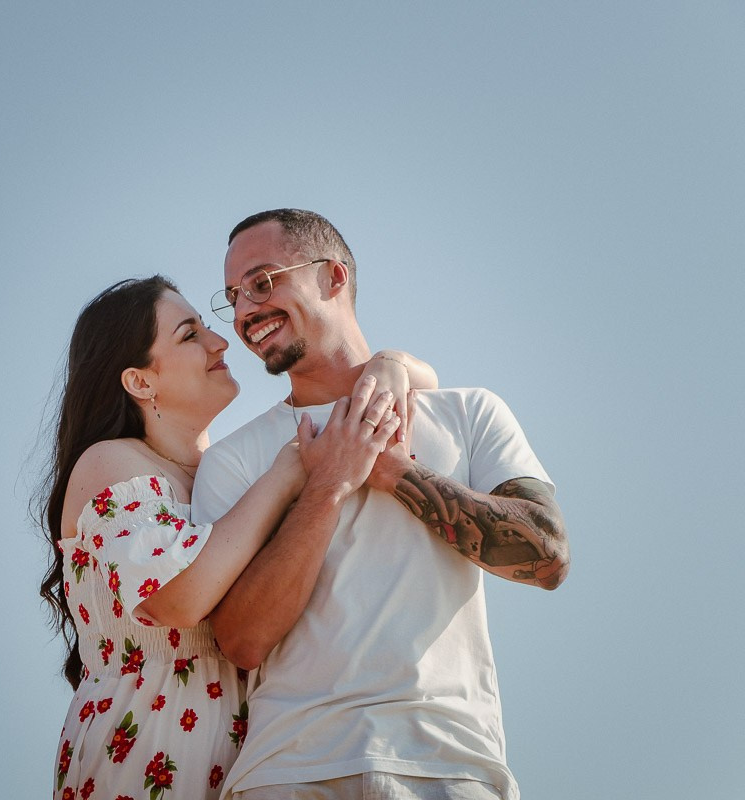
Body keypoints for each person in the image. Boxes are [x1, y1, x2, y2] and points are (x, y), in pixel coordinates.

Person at [191, 209, 570, 800]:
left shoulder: (469, 412)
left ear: (333, 277)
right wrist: (328, 487)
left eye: (263, 283)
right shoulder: (234, 461)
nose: (243, 312)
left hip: (449, 765)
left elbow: (546, 556)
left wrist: (393, 471)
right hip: (289, 771)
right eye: (233, 296)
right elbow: (241, 641)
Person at [36, 275, 438, 800]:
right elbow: (180, 596)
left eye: (206, 326)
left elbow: (427, 383)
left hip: (254, 762)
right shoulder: (112, 463)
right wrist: (288, 472)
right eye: (188, 335)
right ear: (140, 383)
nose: (219, 341)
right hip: (147, 756)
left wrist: (390, 363)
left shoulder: (222, 477)